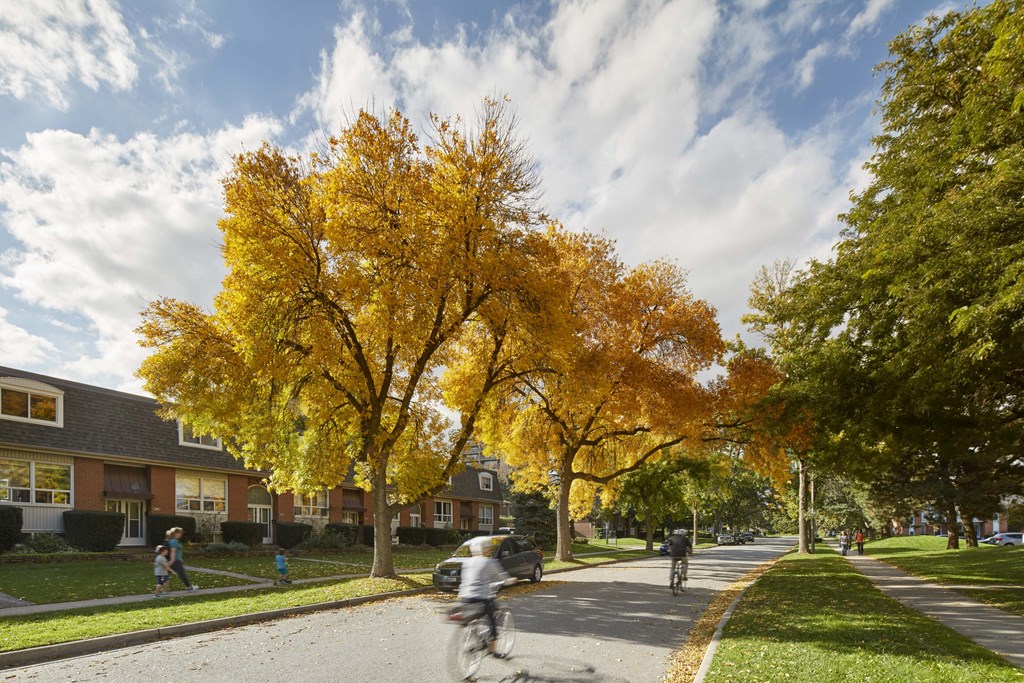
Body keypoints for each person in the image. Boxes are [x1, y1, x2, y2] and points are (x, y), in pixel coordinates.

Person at [458, 536, 512, 656]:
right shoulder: (489, 562)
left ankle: (474, 633)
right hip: (482, 598)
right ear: (486, 549)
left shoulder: (466, 562)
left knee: (473, 616)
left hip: (465, 597)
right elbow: (502, 576)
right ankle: (493, 650)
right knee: (492, 620)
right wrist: (510, 580)